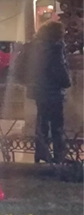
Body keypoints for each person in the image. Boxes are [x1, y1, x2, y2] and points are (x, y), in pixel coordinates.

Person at [24, 20, 72, 164]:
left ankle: (41, 153)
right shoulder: (54, 48)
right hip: (53, 92)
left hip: (39, 91)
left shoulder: (34, 47)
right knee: (57, 125)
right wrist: (66, 82)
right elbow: (59, 70)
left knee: (42, 123)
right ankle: (58, 155)